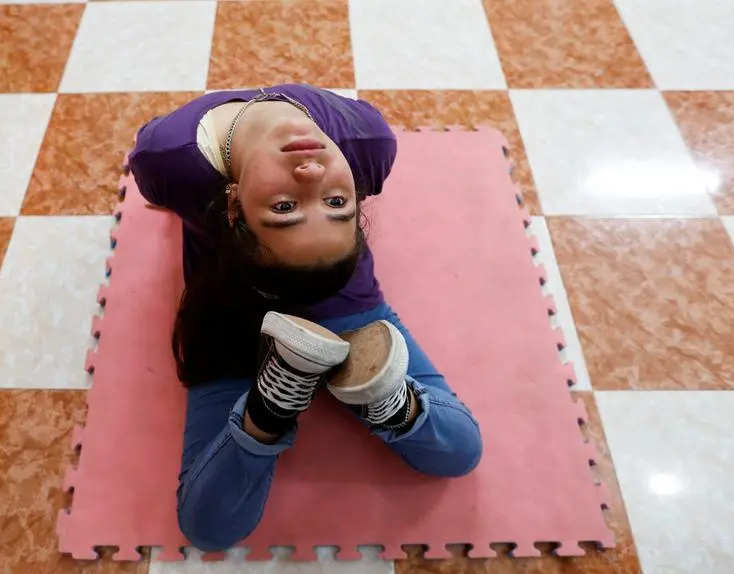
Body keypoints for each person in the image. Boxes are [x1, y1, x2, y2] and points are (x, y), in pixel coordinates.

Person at [129, 84, 483, 552]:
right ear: (231, 207)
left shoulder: (368, 143)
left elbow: (160, 204)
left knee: (463, 452)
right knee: (209, 528)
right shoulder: (172, 157)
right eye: (283, 209)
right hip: (233, 313)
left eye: (338, 205)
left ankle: (380, 396)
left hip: (343, 305)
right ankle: (270, 407)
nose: (313, 172)